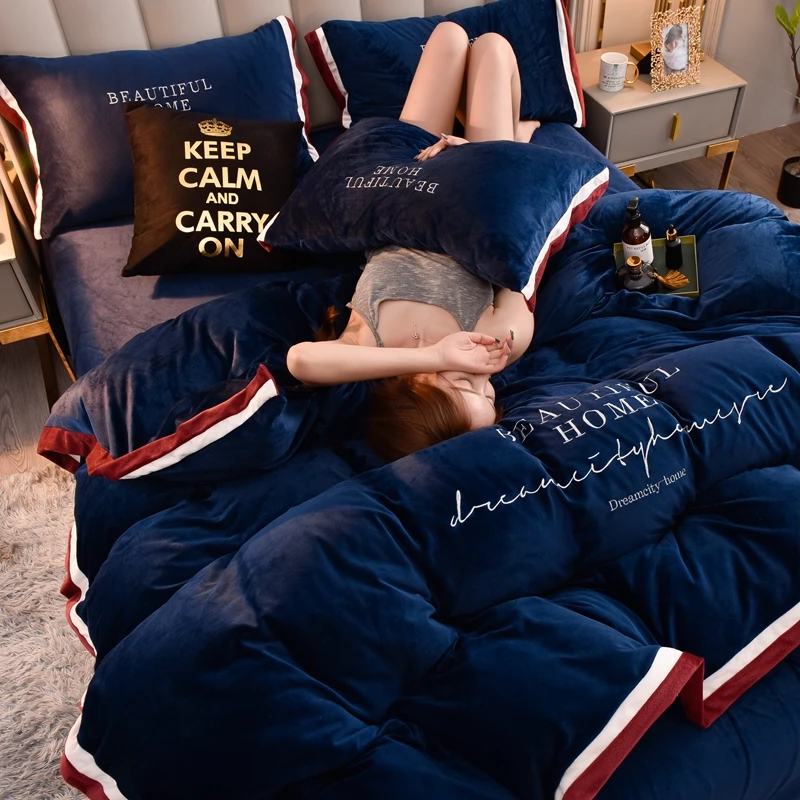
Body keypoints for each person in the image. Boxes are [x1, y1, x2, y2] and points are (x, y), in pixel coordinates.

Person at [287, 22, 537, 461]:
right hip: (476, 192)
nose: (485, 376)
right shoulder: (499, 341)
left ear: (418, 389)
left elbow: (300, 361)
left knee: (449, 36)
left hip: (407, 187)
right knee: (494, 48)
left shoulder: (367, 349)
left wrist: (436, 355)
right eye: (491, 395)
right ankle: (513, 137)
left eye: (467, 384)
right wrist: (474, 157)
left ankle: (502, 132)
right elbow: (518, 239)